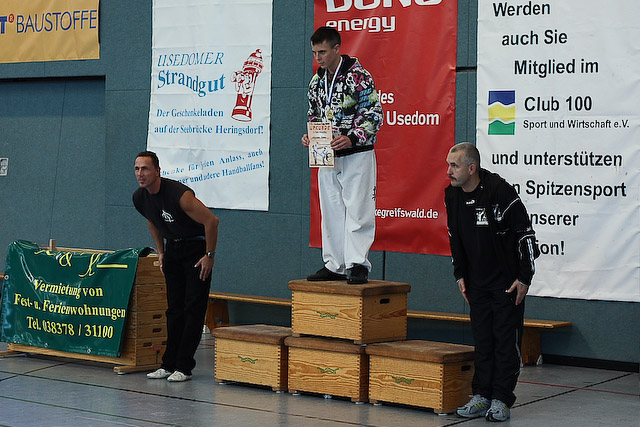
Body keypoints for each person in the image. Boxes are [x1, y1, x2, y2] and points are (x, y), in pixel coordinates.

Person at [444, 143, 539, 422]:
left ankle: (501, 399)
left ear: (472, 168)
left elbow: (525, 235)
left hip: (507, 284)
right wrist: (460, 274)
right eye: (448, 164)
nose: (448, 171)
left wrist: (524, 278)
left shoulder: (500, 191)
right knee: (483, 341)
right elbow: (454, 237)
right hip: (477, 283)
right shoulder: (452, 194)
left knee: (505, 343)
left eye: (454, 165)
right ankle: (481, 395)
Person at [301, 26, 383, 284]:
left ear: (337, 48)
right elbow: (313, 115)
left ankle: (358, 263)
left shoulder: (358, 76)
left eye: (323, 52)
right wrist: (311, 135)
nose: (318, 58)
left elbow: (374, 114)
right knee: (331, 211)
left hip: (357, 154)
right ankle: (334, 264)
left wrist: (352, 137)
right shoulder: (316, 81)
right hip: (326, 155)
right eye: (314, 53)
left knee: (358, 209)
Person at [133, 151, 219, 382]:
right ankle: (168, 364)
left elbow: (212, 221)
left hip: (195, 249)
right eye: (137, 169)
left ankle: (184, 366)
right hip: (172, 249)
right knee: (174, 309)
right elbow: (153, 221)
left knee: (193, 308)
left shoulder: (180, 196)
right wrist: (161, 251)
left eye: (145, 169)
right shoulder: (140, 197)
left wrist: (209, 255)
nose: (140, 174)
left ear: (157, 171)